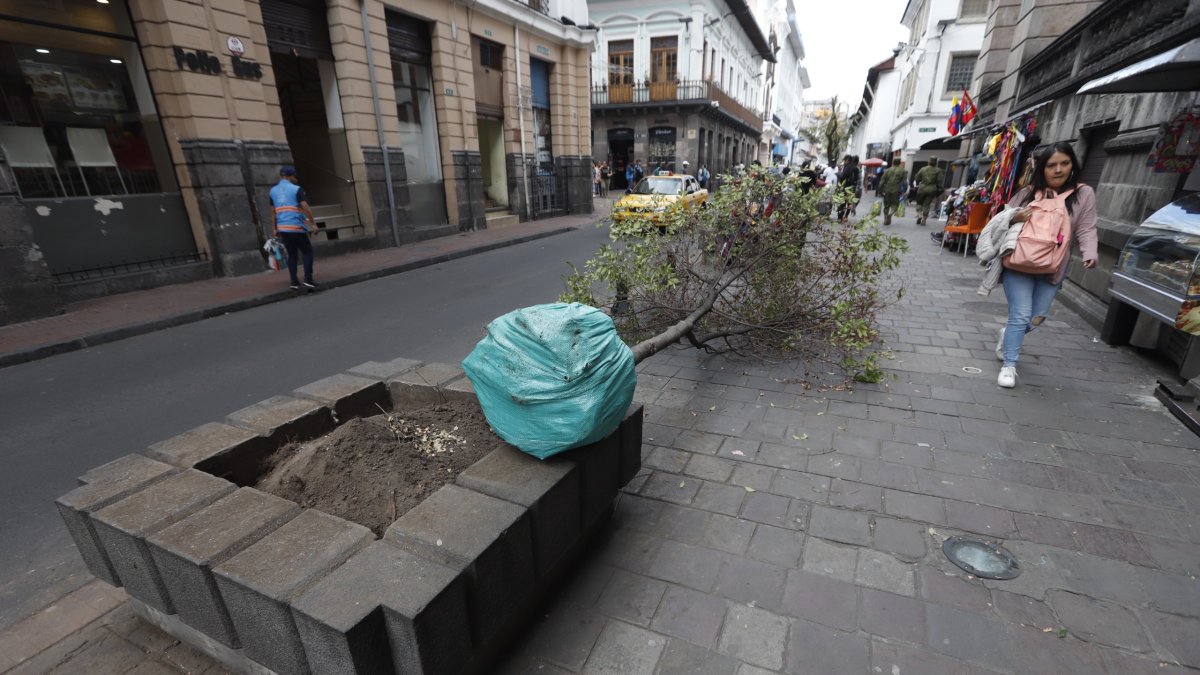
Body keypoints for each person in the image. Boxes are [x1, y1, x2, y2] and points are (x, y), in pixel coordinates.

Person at [993, 142, 1097, 389]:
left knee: (1036, 318)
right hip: (1018, 263)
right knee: (1020, 314)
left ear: (1073, 165)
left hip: (1052, 267)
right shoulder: (1027, 193)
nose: (1058, 170)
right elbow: (999, 221)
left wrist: (1089, 252)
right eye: (1051, 165)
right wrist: (1014, 218)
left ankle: (1007, 335)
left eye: (1065, 163)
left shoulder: (1083, 194)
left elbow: (1086, 226)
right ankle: (1009, 365)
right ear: (1042, 168)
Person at [269, 166, 317, 291]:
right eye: (294, 176)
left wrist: (274, 228)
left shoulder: (273, 191)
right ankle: (308, 279)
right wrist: (313, 223)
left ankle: (294, 281)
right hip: (296, 226)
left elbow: (273, 212)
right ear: (291, 176)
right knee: (307, 252)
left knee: (292, 255)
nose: (295, 178)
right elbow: (305, 206)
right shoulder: (296, 189)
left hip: (283, 228)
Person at [913, 158, 944, 225]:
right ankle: (924, 219)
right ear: (935, 162)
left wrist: (918, 183)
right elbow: (940, 181)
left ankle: (919, 214)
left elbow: (917, 178)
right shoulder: (938, 170)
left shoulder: (923, 169)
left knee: (919, 203)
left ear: (928, 161)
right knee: (927, 204)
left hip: (922, 189)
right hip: (932, 189)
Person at [877, 160, 906, 226]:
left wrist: (880, 191)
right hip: (896, 190)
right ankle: (890, 214)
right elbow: (905, 182)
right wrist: (904, 190)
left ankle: (885, 219)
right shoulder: (902, 171)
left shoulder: (887, 170)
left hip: (887, 190)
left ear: (893, 162)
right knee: (895, 205)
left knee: (886, 205)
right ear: (899, 163)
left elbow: (882, 182)